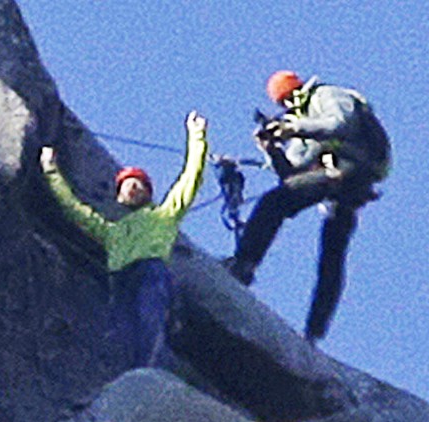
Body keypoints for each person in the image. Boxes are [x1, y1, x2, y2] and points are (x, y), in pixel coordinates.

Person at [225, 70, 391, 342]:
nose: (287, 106)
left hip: (353, 168)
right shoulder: (302, 119)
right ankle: (314, 333)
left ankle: (244, 264)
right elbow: (292, 178)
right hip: (345, 179)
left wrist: (294, 128)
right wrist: (272, 149)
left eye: (288, 97)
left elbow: (340, 123)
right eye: (284, 102)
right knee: (331, 252)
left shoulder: (325, 95)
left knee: (273, 203)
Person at [40, 111, 208, 367]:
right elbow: (74, 209)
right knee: (117, 332)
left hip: (151, 271)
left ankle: (148, 371)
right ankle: (127, 374)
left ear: (148, 193)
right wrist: (51, 171)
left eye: (137, 184)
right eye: (126, 185)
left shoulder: (164, 215)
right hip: (119, 280)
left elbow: (190, 178)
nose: (131, 187)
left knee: (149, 320)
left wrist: (197, 136)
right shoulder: (112, 232)